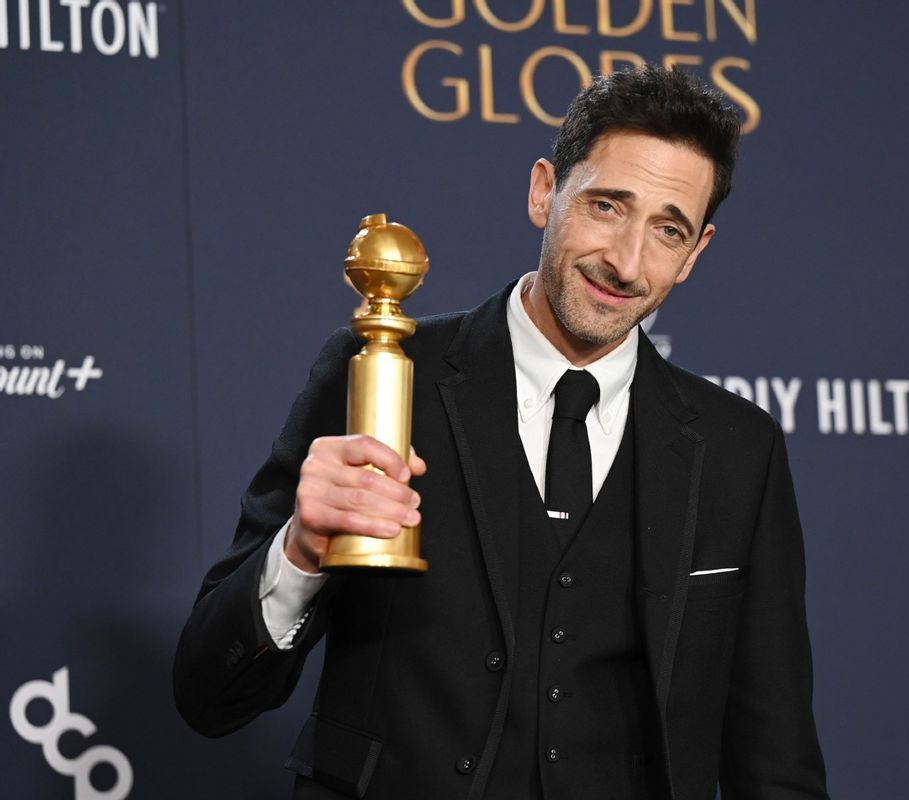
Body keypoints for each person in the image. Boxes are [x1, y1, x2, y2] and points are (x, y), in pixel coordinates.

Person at [174, 65, 828, 800]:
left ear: (697, 251)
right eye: (608, 207)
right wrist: (299, 551)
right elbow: (207, 694)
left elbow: (774, 760)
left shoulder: (739, 449)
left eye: (667, 229)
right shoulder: (382, 376)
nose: (627, 261)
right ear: (544, 190)